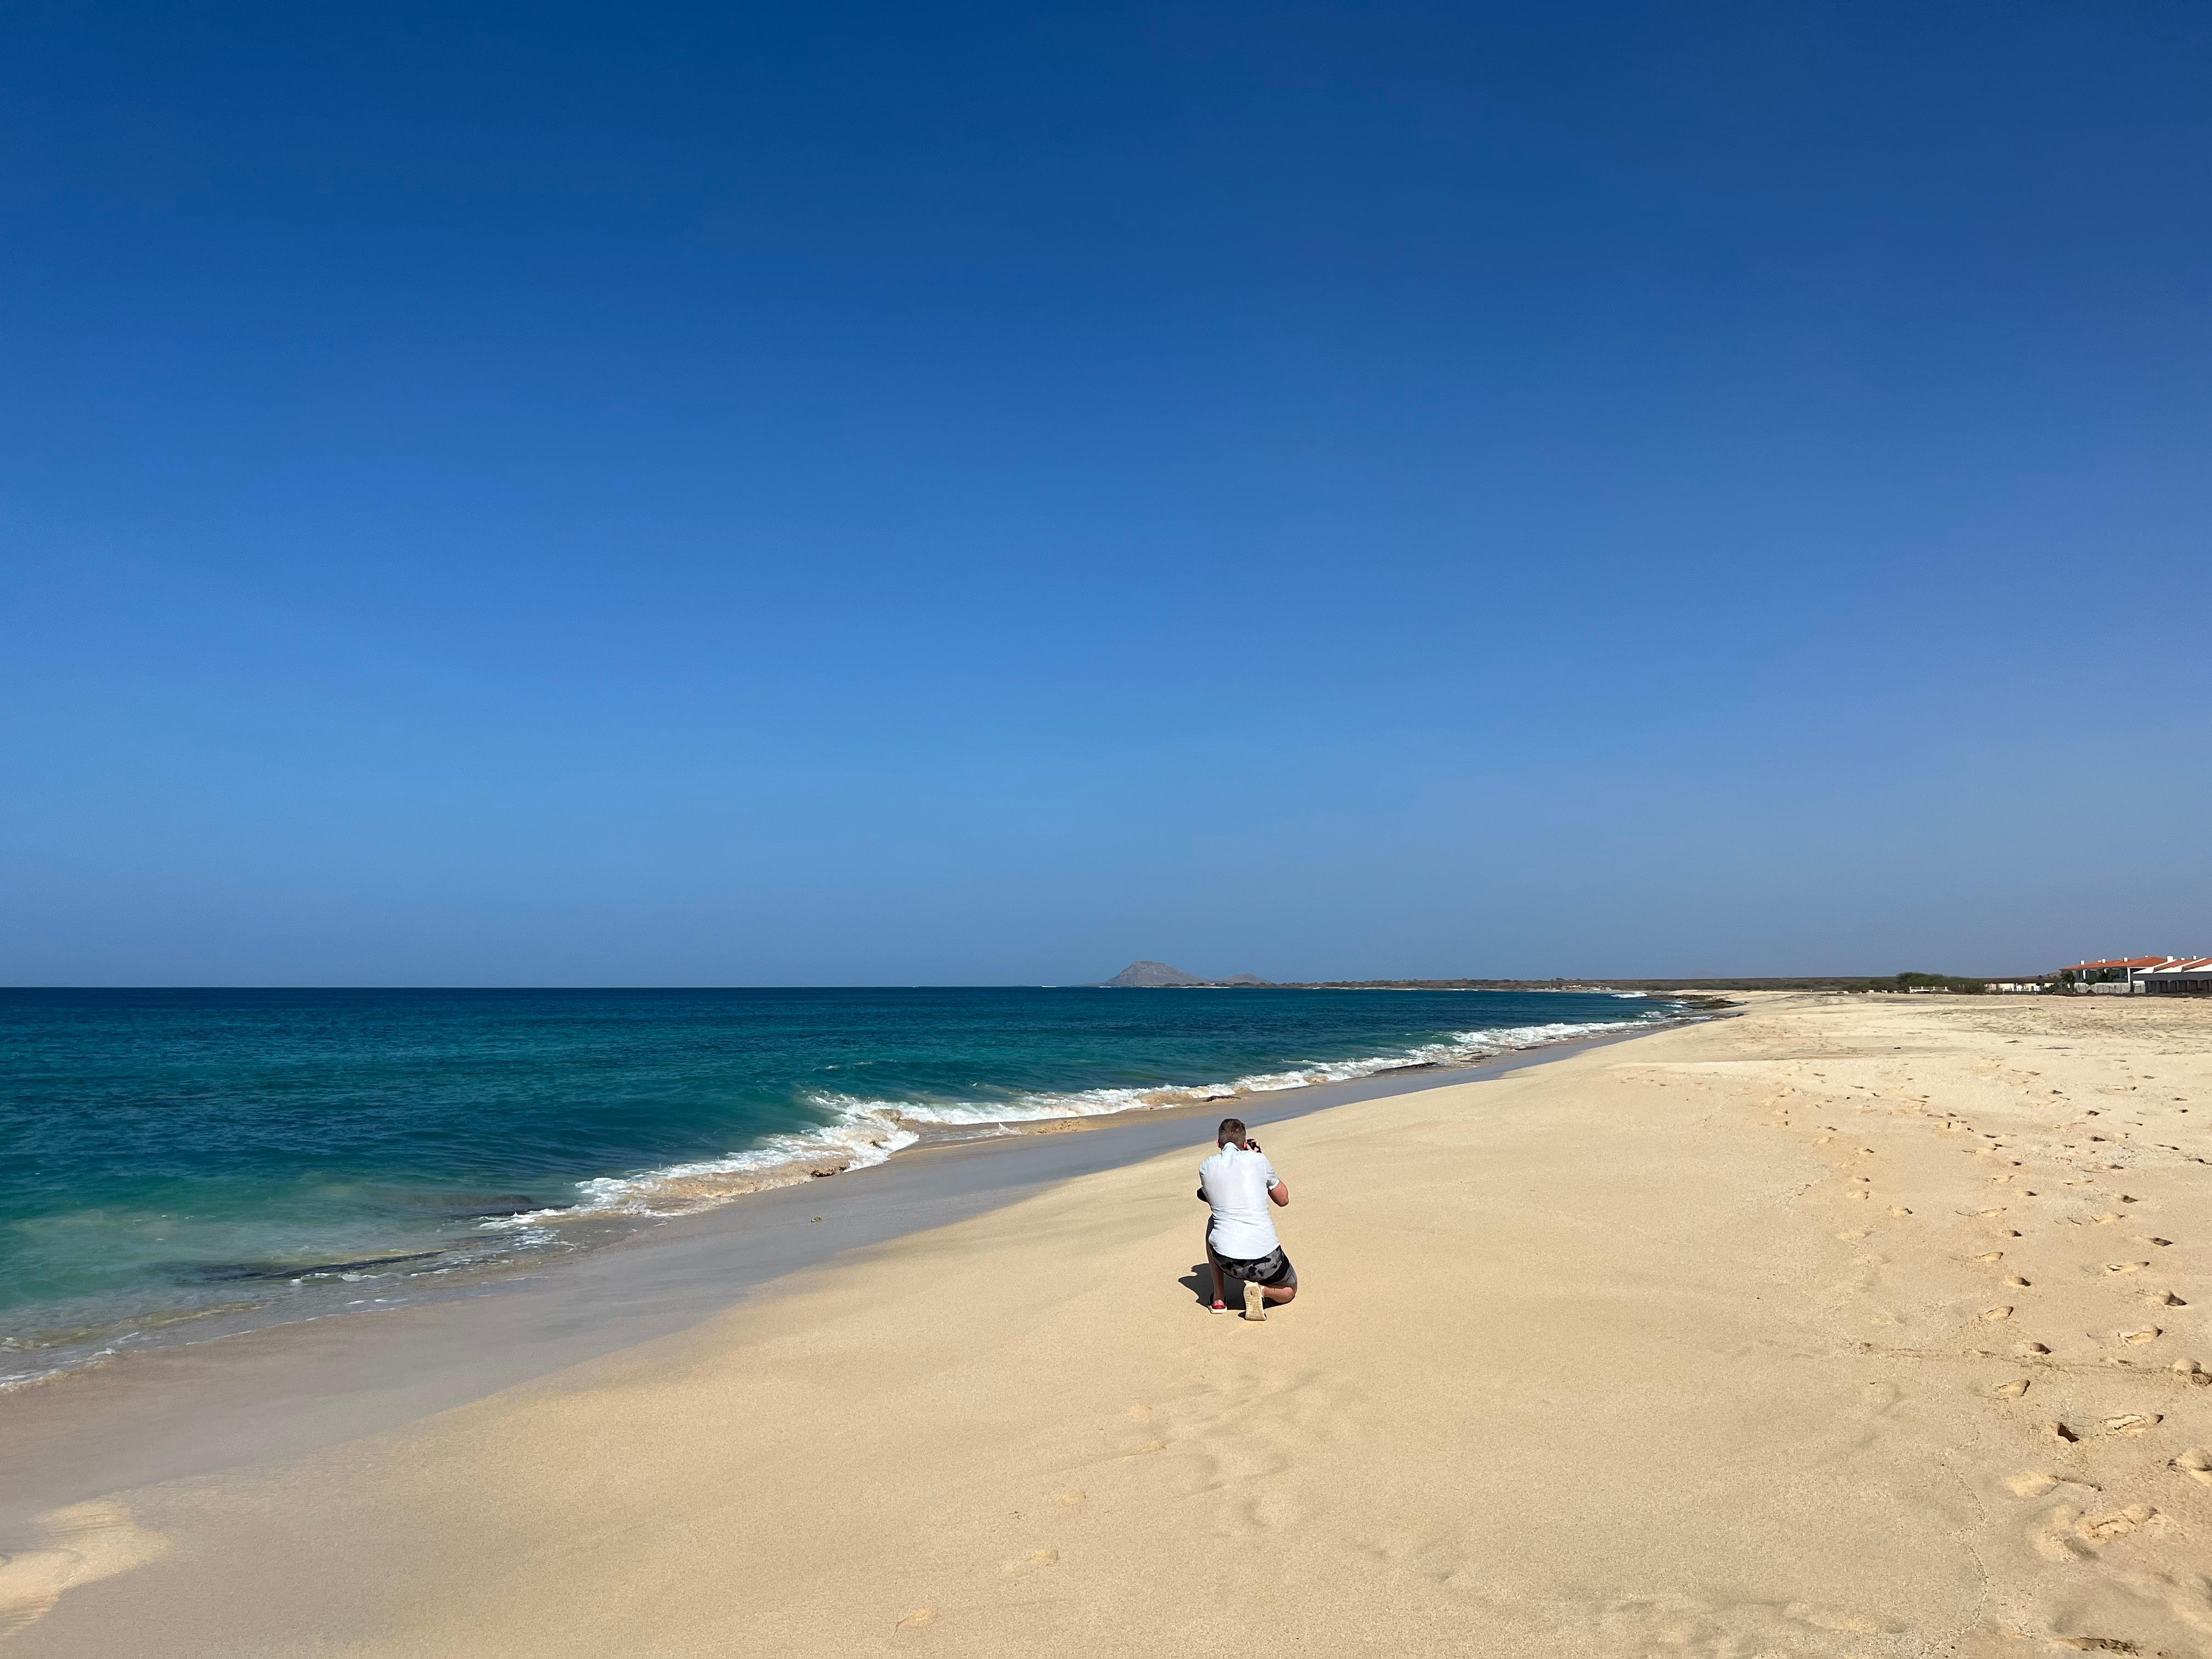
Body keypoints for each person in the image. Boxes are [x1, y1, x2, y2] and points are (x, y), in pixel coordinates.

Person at [1197, 1117, 1296, 1320]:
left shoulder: (1206, 1167)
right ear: (1245, 1144)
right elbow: (1283, 1200)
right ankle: (1262, 1291)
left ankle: (1219, 1298)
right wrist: (1259, 1156)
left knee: (1213, 1222)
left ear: (1218, 1143)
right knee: (1290, 1290)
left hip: (1226, 1261)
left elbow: (1215, 1199)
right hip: (1267, 1261)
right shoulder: (1259, 1161)